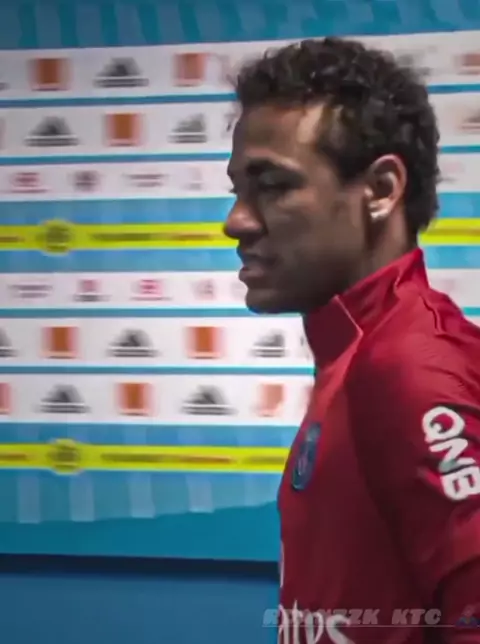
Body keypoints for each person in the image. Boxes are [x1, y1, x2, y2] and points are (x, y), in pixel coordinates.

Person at [223, 37, 480, 643]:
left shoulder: (411, 367)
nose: (236, 220)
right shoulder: (358, 353)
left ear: (382, 189)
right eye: (237, 189)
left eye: (273, 185)